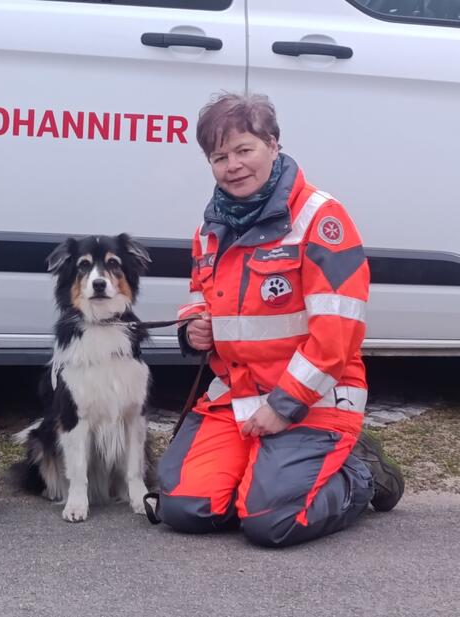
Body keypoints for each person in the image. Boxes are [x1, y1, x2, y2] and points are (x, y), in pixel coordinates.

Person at [155, 92, 404, 547]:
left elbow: (337, 335)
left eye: (244, 150)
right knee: (184, 508)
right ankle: (266, 471)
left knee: (270, 521)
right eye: (219, 157)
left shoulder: (320, 218)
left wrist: (283, 407)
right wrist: (194, 328)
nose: (233, 165)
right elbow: (199, 294)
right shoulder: (212, 226)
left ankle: (362, 472)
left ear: (273, 144)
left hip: (314, 401)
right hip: (238, 398)